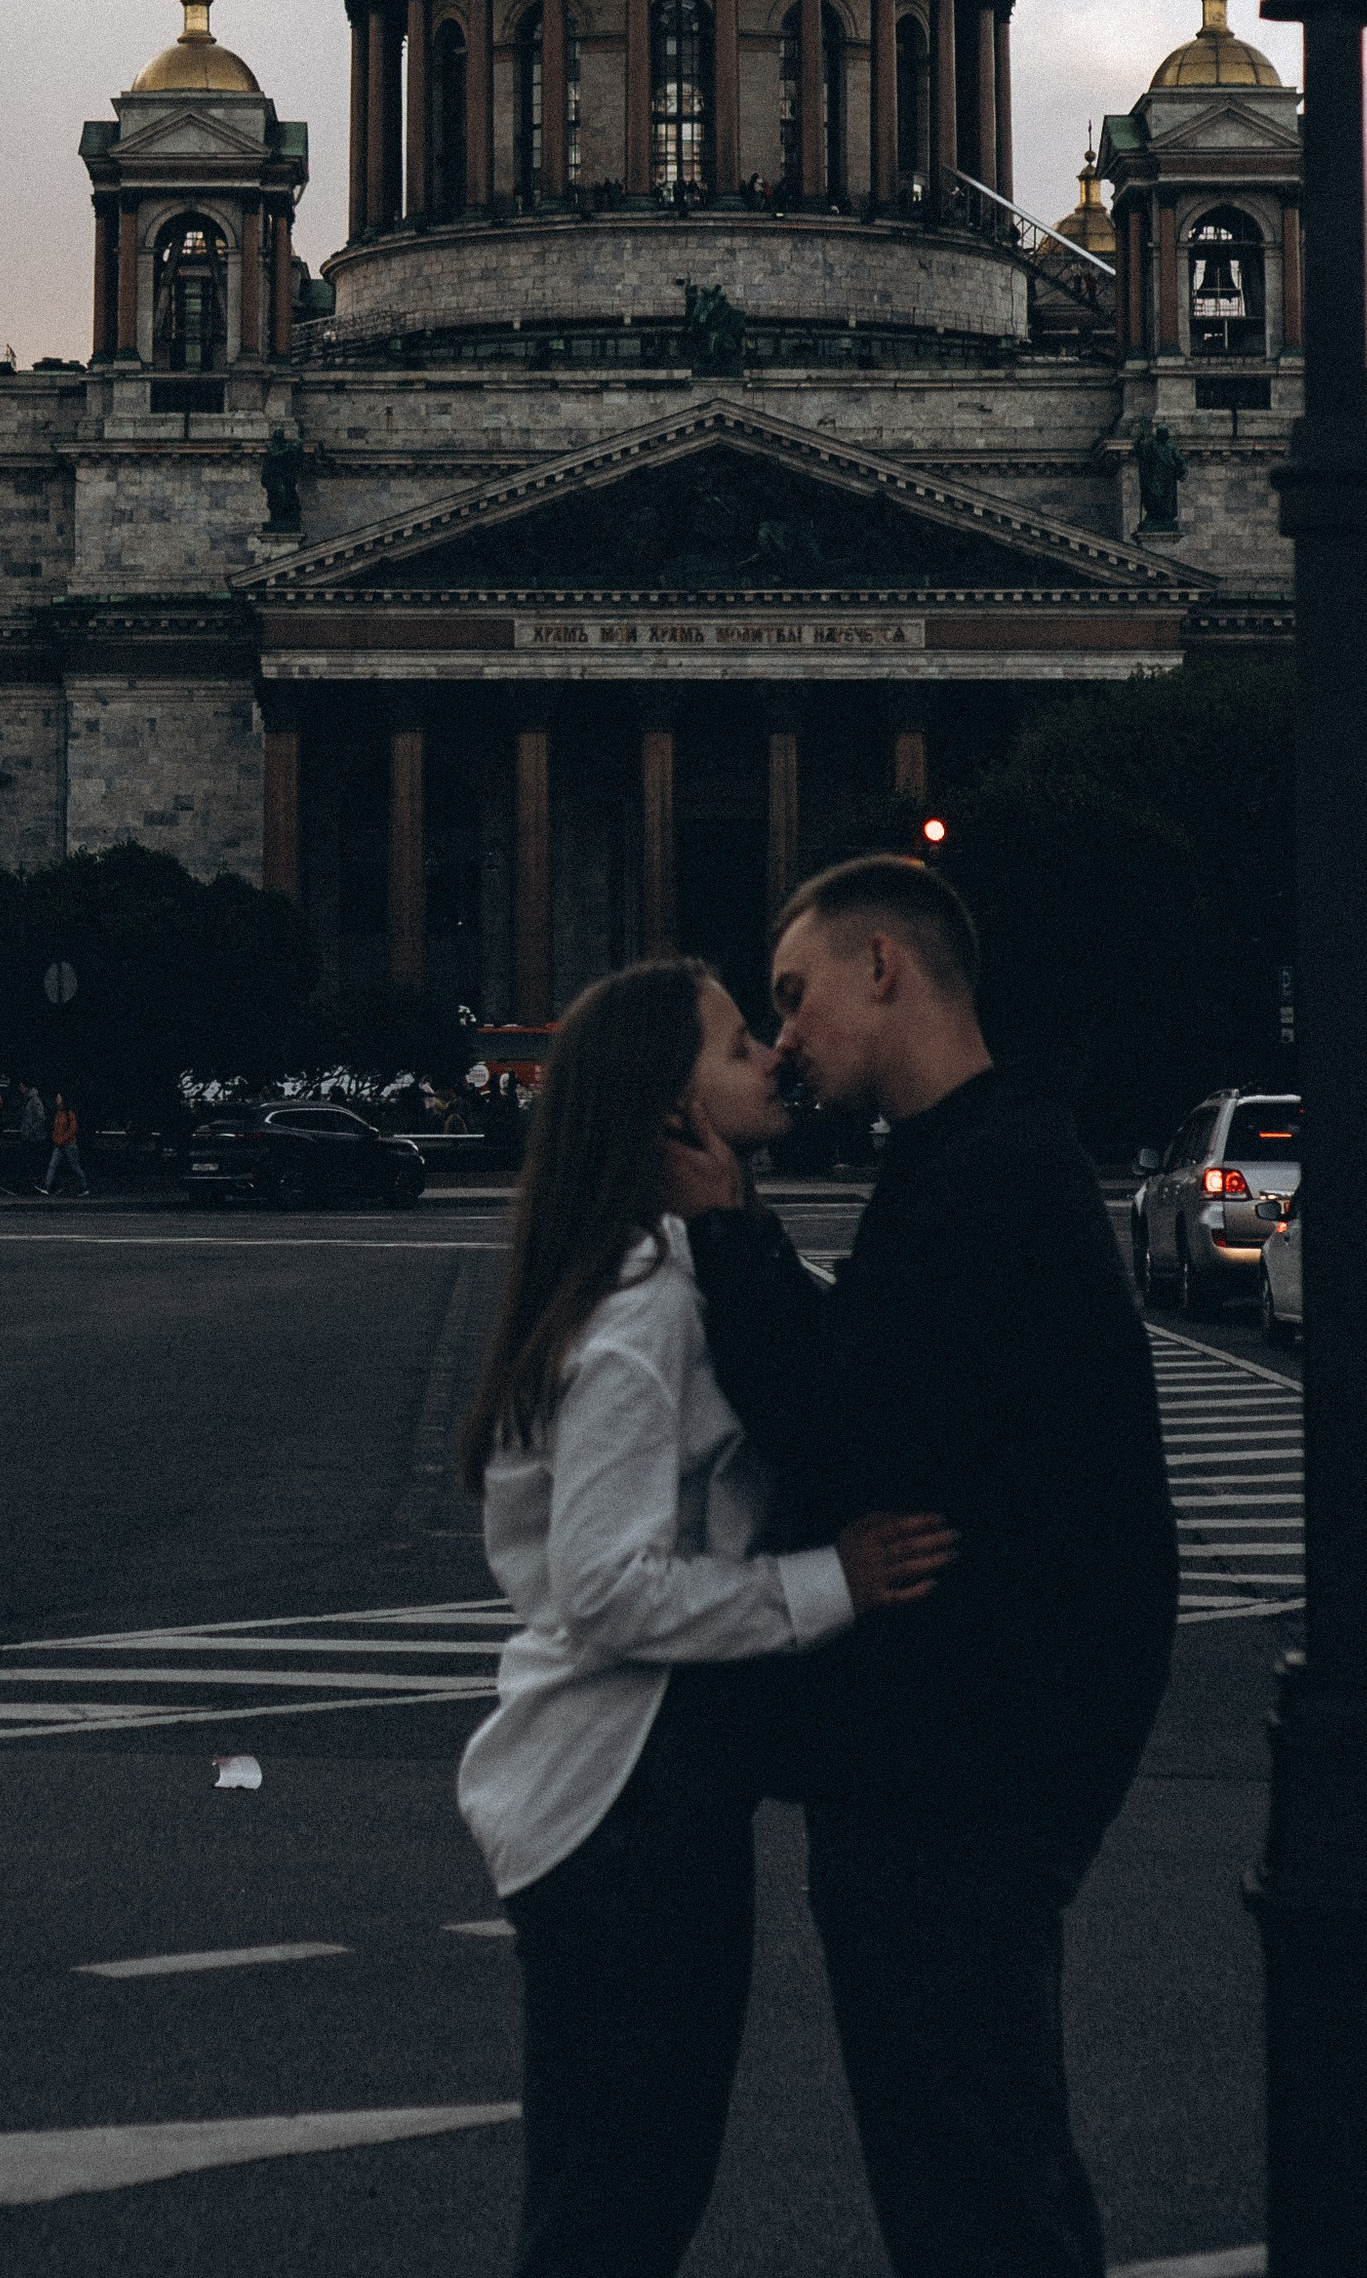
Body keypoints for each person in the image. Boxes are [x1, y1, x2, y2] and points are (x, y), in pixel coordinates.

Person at [678, 856, 1178, 2278]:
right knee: (991, 2171)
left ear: (883, 968)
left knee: (972, 2196)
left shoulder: (990, 1180)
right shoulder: (984, 1159)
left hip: (956, 1785)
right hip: (977, 1772)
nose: (783, 1041)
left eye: (794, 996)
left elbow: (840, 1418)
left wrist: (726, 1226)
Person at [455, 956, 952, 2278]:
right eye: (739, 1046)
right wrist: (829, 1584)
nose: (772, 1059)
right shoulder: (651, 1309)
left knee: (618, 2193)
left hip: (626, 1789)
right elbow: (609, 1585)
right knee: (621, 2204)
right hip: (625, 1793)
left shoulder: (653, 1272)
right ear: (667, 1111)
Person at [41, 1093, 86, 1199]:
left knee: (75, 1166)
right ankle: (47, 1186)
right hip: (59, 1144)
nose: (56, 1099)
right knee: (52, 1165)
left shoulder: (68, 1113)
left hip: (69, 1144)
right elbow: (56, 1129)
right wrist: (56, 1139)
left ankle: (84, 1186)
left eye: (58, 1098)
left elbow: (73, 1128)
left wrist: (62, 1139)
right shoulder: (59, 1113)